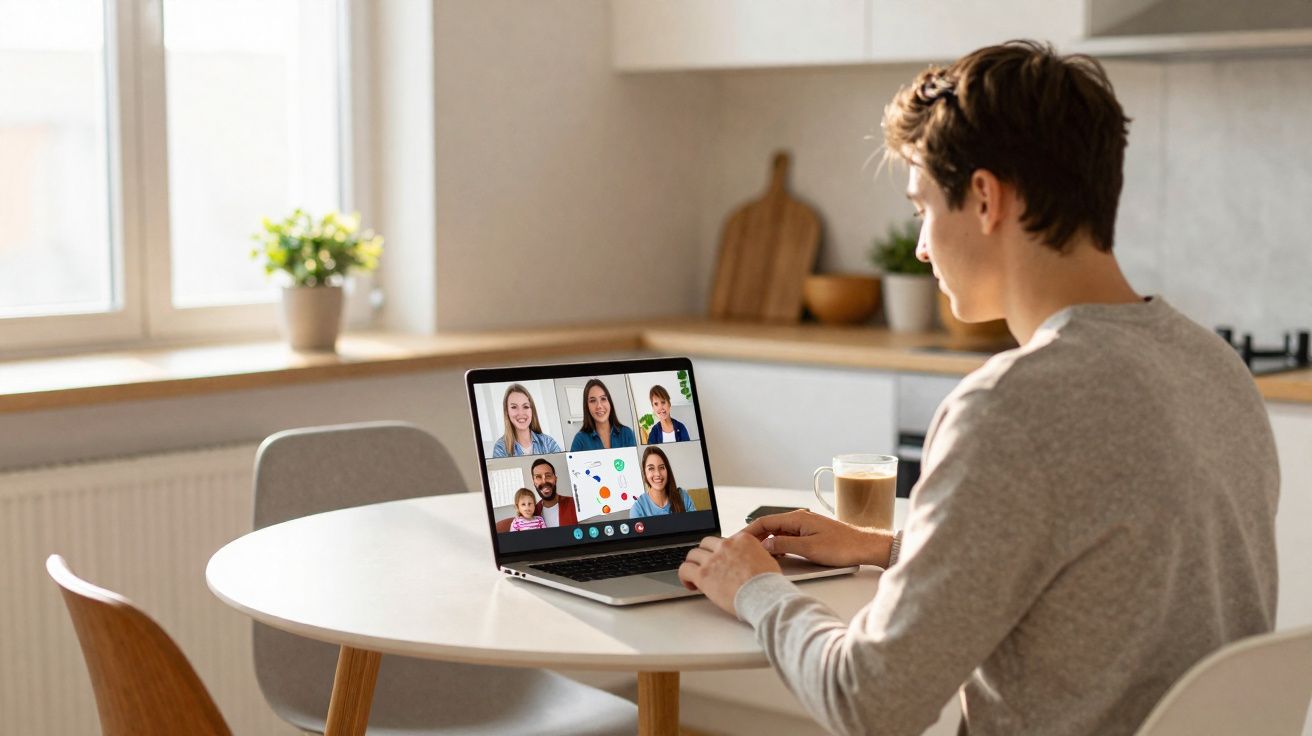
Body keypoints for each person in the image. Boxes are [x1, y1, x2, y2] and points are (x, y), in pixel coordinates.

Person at [676, 41, 1278, 736]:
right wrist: (888, 547)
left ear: (986, 198)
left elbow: (868, 703)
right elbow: (1102, 574)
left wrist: (754, 587)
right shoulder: (1215, 366)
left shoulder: (1009, 408)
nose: (921, 247)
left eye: (923, 209)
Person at [491, 383, 563, 458]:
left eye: (525, 406)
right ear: (507, 412)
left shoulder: (548, 443)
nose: (521, 413)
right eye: (514, 407)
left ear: (532, 410)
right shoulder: (500, 448)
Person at [569, 378, 637, 451]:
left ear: (609, 403)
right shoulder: (579, 440)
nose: (599, 406)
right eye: (593, 400)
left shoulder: (626, 433)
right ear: (587, 406)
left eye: (603, 399)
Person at [629, 446, 696, 518]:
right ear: (645, 473)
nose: (658, 474)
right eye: (651, 468)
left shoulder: (683, 497)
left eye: (661, 467)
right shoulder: (638, 509)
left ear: (667, 470)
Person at [530, 457, 577, 527]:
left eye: (548, 476)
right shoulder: (532, 513)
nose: (544, 481)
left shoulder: (574, 504)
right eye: (538, 477)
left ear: (555, 479)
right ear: (534, 482)